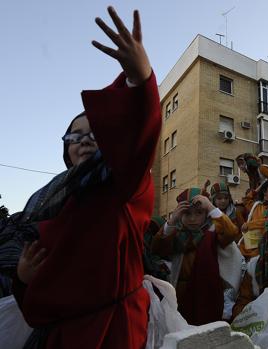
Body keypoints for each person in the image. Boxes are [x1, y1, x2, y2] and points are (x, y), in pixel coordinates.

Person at [12, 7, 160, 348]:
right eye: (74, 136)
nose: (84, 141)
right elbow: (36, 306)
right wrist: (24, 280)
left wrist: (139, 80)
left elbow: (139, 136)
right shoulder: (46, 202)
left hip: (111, 333)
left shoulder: (123, 185)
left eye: (94, 133)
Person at [151, 188, 241, 324]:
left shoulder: (213, 232)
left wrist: (210, 207)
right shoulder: (175, 233)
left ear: (206, 214)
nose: (193, 218)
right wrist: (172, 220)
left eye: (199, 213)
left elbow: (231, 233)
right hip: (179, 294)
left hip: (208, 293)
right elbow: (158, 248)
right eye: (187, 213)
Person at [239, 176, 268, 259]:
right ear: (264, 192)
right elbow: (246, 199)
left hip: (264, 247)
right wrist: (261, 185)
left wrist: (249, 225)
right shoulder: (256, 205)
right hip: (249, 244)